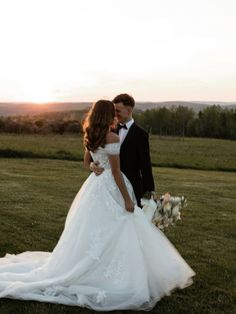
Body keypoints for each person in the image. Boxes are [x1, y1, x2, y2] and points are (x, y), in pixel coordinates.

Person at [0, 100, 195, 311]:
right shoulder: (111, 137)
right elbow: (117, 173)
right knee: (121, 226)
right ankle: (114, 271)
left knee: (97, 229)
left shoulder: (91, 134)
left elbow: (87, 162)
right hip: (111, 186)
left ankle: (99, 265)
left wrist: (93, 165)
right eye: (114, 112)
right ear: (108, 115)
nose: (116, 115)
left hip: (94, 187)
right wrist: (127, 199)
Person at [90, 93, 155, 207]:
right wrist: (92, 165)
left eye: (117, 111)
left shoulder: (141, 135)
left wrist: (150, 190)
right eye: (113, 110)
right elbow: (95, 156)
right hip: (108, 187)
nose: (114, 114)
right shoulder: (108, 131)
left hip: (132, 186)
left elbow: (145, 164)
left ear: (129, 110)